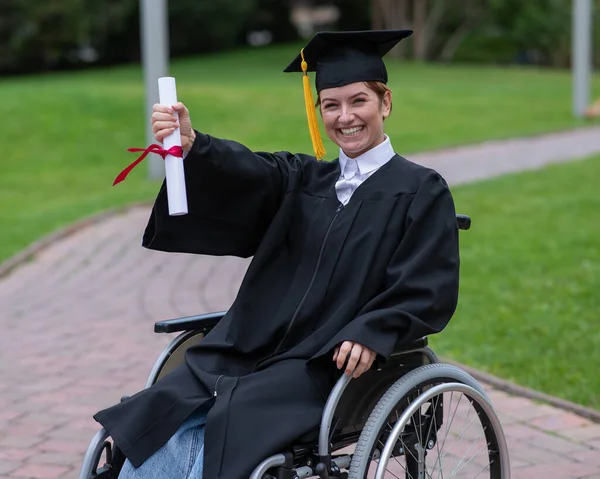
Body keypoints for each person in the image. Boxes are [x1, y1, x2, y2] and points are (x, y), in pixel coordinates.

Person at [95, 29, 460, 479]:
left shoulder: (420, 189)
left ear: (385, 103)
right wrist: (194, 144)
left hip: (325, 364)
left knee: (232, 419)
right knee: (168, 405)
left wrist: (373, 330)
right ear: (318, 111)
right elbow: (250, 171)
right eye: (331, 104)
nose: (345, 116)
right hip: (254, 346)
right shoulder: (306, 180)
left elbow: (426, 285)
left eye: (358, 101)